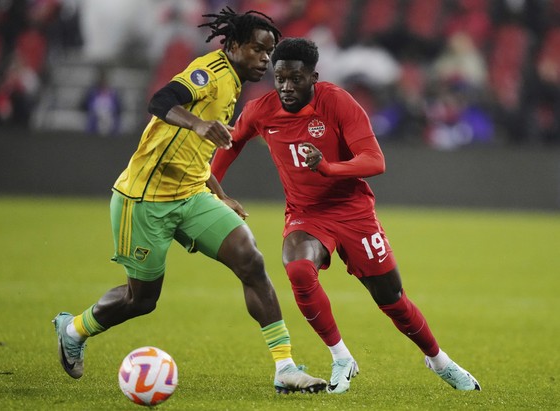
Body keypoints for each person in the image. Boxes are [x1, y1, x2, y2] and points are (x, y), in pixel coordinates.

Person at [52, 9, 327, 395]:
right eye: (257, 50)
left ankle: (284, 367)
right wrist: (198, 123)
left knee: (251, 260)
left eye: (269, 52)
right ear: (232, 46)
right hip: (145, 199)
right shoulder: (209, 73)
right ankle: (73, 328)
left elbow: (193, 152)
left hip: (191, 194)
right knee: (141, 299)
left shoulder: (234, 83)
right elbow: (160, 100)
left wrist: (220, 193)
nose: (265, 60)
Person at [211, 38, 481, 394]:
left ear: (313, 76)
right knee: (297, 268)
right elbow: (231, 143)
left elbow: (374, 160)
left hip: (353, 212)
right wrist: (215, 191)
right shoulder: (261, 110)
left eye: (295, 78)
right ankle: (340, 356)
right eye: (280, 79)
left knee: (392, 300)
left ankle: (438, 360)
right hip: (306, 215)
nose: (287, 87)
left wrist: (328, 167)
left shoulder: (337, 102)